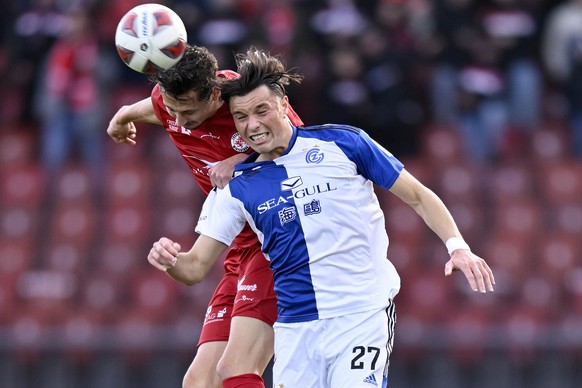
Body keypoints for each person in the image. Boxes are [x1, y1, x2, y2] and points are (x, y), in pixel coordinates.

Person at [147, 47, 495, 387]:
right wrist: (169, 260)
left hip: (360, 316)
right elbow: (193, 268)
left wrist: (457, 246)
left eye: (262, 110)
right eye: (241, 117)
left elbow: (418, 195)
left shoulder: (345, 144)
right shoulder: (236, 188)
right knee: (216, 376)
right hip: (296, 330)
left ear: (284, 104)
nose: (253, 125)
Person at [106, 45, 303, 388]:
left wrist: (240, 163)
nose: (178, 122)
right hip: (238, 248)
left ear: (214, 94)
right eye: (171, 110)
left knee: (236, 369)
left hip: (277, 241)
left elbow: (301, 149)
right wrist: (122, 118)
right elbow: (146, 109)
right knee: (199, 382)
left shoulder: (246, 101)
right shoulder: (168, 104)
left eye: (187, 111)